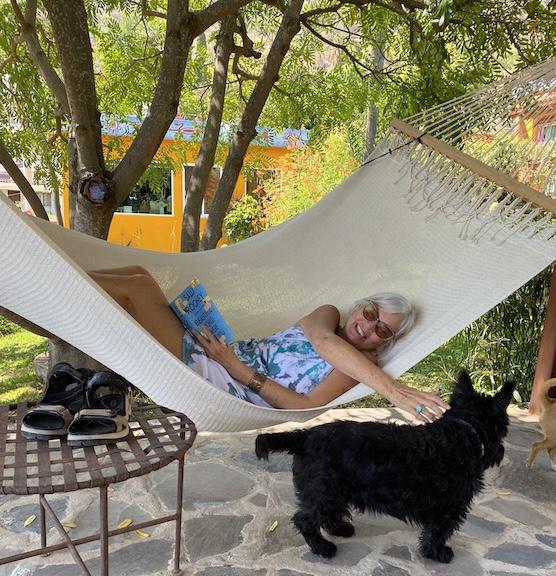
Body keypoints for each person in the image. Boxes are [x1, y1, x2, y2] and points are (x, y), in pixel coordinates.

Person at [89, 266, 450, 422]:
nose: (370, 326)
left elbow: (304, 406)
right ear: (359, 306)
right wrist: (395, 391)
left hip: (219, 380)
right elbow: (323, 342)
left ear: (385, 343)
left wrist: (237, 369)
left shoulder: (360, 368)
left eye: (383, 330)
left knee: (135, 289)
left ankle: (56, 287)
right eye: (371, 313)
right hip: (215, 350)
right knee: (140, 274)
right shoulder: (326, 316)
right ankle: (64, 279)